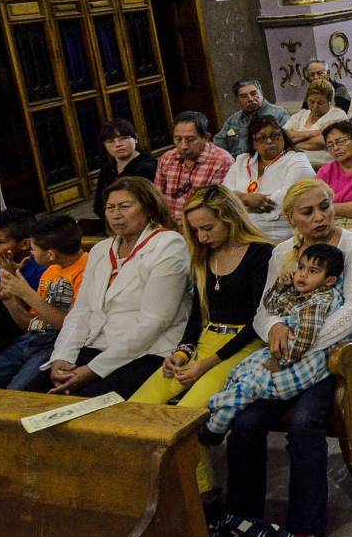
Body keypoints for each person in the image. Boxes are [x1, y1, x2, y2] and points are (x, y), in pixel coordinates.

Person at [223, 179, 352, 537]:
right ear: (291, 218)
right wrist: (275, 326)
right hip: (284, 358)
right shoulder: (283, 253)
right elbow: (263, 308)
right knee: (244, 425)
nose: (320, 217)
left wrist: (298, 345)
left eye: (325, 206)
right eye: (308, 212)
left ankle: (307, 527)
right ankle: (243, 521)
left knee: (305, 424)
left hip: (329, 358)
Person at [129, 185, 272, 497]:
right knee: (135, 408)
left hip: (243, 345)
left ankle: (204, 496)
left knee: (186, 418)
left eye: (208, 228)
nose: (203, 236)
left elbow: (257, 322)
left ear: (231, 218)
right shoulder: (204, 257)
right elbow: (197, 316)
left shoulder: (260, 253)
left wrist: (207, 364)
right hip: (208, 341)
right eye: (195, 230)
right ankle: (157, 489)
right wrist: (182, 352)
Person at [23, 177, 189, 396]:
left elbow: (154, 322)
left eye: (125, 206)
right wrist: (62, 358)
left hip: (147, 352)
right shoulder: (102, 249)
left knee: (78, 405)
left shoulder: (169, 245)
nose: (116, 214)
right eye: (110, 207)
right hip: (96, 345)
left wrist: (92, 370)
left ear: (149, 208)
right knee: (29, 394)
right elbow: (81, 311)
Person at [204, 243, 343, 441]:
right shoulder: (300, 293)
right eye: (301, 267)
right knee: (242, 372)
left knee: (252, 384)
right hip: (284, 349)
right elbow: (269, 307)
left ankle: (215, 427)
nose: (302, 275)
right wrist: (280, 286)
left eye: (312, 271)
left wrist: (281, 361)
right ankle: (218, 418)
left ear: (329, 280)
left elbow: (305, 338)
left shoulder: (319, 302)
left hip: (300, 358)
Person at [0, 215, 86, 390]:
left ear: (50, 254)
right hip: (30, 341)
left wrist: (25, 292)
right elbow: (31, 325)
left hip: (59, 346)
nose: (31, 254)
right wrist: (9, 298)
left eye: (33, 249)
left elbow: (69, 326)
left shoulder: (89, 271)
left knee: (15, 393)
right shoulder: (51, 271)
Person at [222, 115, 315, 241]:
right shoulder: (242, 161)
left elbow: (284, 200)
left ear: (283, 136)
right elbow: (223, 196)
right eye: (262, 138)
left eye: (275, 135)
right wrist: (245, 198)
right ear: (253, 143)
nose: (270, 141)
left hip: (279, 233)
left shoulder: (297, 159)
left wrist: (237, 204)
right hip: (239, 231)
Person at [155, 111, 235, 223]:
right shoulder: (167, 158)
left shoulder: (221, 161)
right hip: (168, 226)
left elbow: (218, 207)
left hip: (201, 228)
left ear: (206, 137)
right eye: (178, 139)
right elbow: (157, 197)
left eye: (190, 139)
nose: (183, 146)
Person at [0, 208, 41, 358]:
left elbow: (34, 324)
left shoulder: (41, 271)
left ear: (25, 244)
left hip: (18, 336)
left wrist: (11, 276)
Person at [93, 118, 158, 224]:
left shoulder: (148, 166)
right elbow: (98, 205)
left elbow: (147, 206)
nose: (118, 144)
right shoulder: (107, 169)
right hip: (111, 223)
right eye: (110, 141)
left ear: (135, 138)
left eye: (123, 138)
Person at [215, 80, 289, 158]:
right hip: (237, 164)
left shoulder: (279, 114)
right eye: (244, 96)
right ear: (237, 100)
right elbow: (218, 146)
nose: (250, 99)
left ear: (261, 93)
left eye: (254, 94)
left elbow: (288, 143)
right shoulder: (233, 120)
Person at [284, 80, 347, 151]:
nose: (315, 106)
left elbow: (323, 141)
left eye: (320, 103)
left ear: (330, 102)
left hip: (322, 161)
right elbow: (283, 136)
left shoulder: (337, 115)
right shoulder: (300, 115)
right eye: (311, 102)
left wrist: (294, 144)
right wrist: (311, 134)